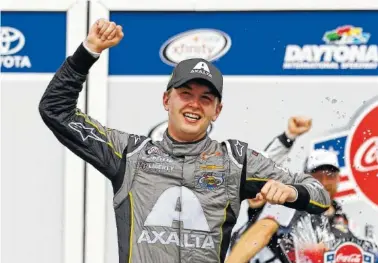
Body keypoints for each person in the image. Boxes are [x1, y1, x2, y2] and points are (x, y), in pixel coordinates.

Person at [38, 19, 331, 263]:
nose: (195, 104)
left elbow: (320, 194)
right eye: (186, 94)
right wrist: (88, 51)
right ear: (167, 99)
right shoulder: (129, 153)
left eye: (206, 98)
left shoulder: (235, 160)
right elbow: (55, 109)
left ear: (217, 110)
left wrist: (292, 192)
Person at [227, 117, 378, 263]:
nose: (324, 182)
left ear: (339, 178)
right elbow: (263, 230)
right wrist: (288, 137)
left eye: (330, 175)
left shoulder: (349, 225)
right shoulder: (290, 206)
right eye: (317, 176)